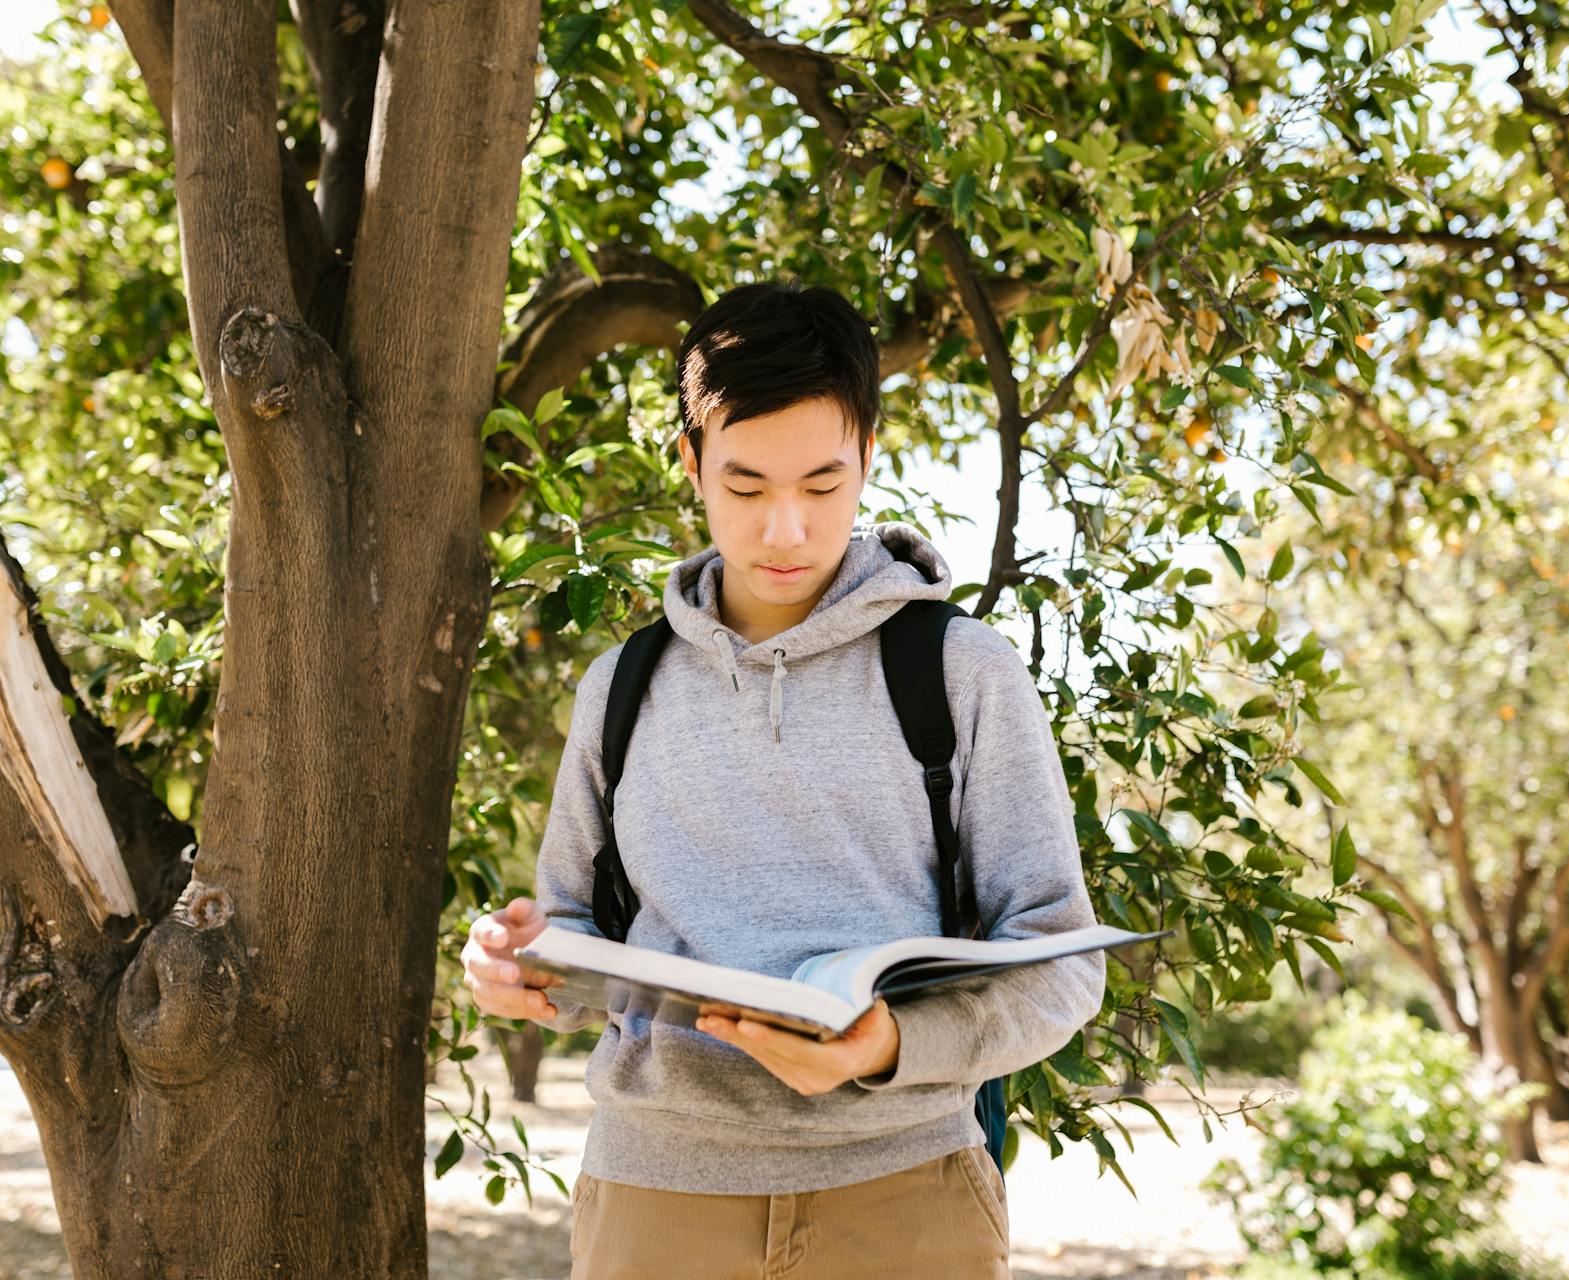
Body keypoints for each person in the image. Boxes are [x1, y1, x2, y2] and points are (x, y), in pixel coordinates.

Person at [461, 279, 1107, 1279]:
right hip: (657, 1200)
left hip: (905, 1197)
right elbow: (573, 934)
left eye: (822, 484)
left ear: (869, 461)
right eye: (746, 486)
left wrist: (886, 1043)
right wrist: (520, 967)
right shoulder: (620, 687)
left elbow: (1061, 959)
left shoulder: (960, 670)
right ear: (691, 463)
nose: (785, 530)